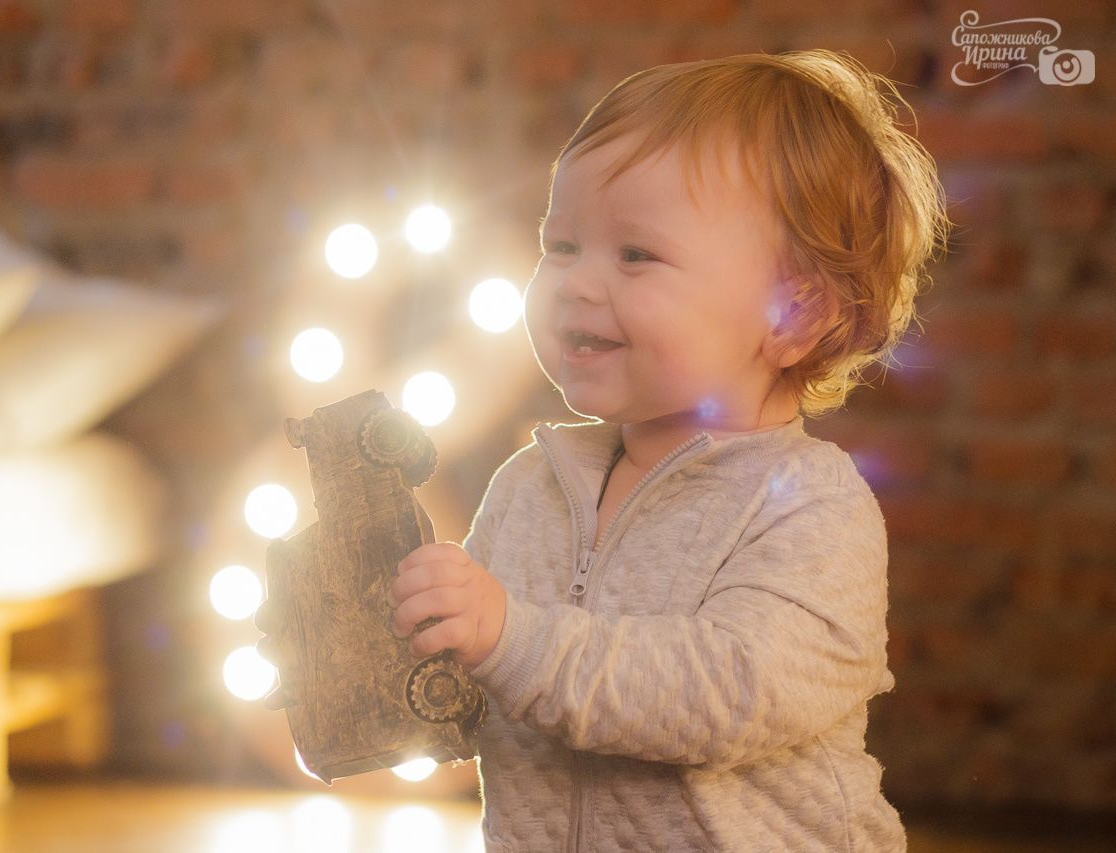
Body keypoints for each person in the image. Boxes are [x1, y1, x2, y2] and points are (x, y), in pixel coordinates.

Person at [388, 49, 950, 852]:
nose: (577, 283)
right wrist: (368, 654)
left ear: (793, 313)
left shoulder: (809, 506)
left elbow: (727, 694)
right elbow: (476, 690)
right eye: (561, 244)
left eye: (636, 254)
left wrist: (510, 635)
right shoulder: (530, 487)